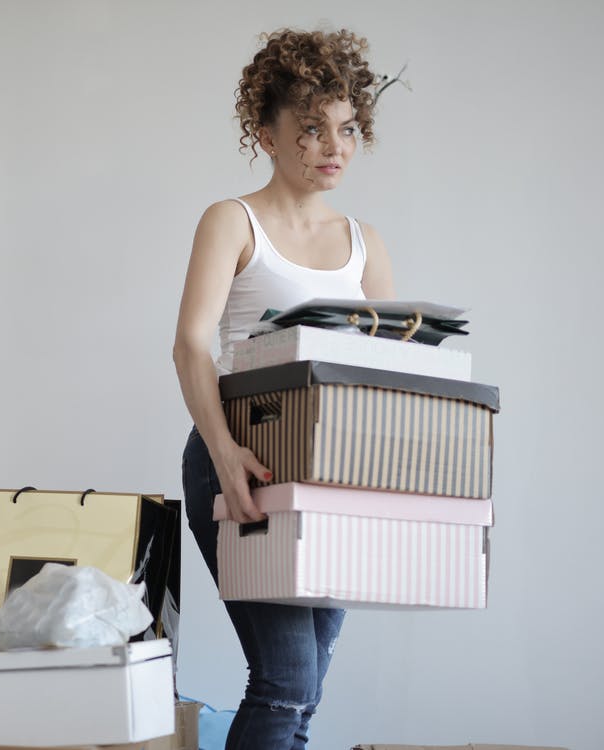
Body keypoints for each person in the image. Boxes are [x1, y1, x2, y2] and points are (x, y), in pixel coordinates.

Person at [172, 28, 395, 750]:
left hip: (330, 471)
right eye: (309, 129)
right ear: (265, 136)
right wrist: (224, 451)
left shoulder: (365, 242)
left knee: (306, 685)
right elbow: (190, 346)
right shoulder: (231, 220)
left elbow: (384, 373)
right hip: (242, 455)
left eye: (346, 128)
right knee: (285, 679)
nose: (333, 146)